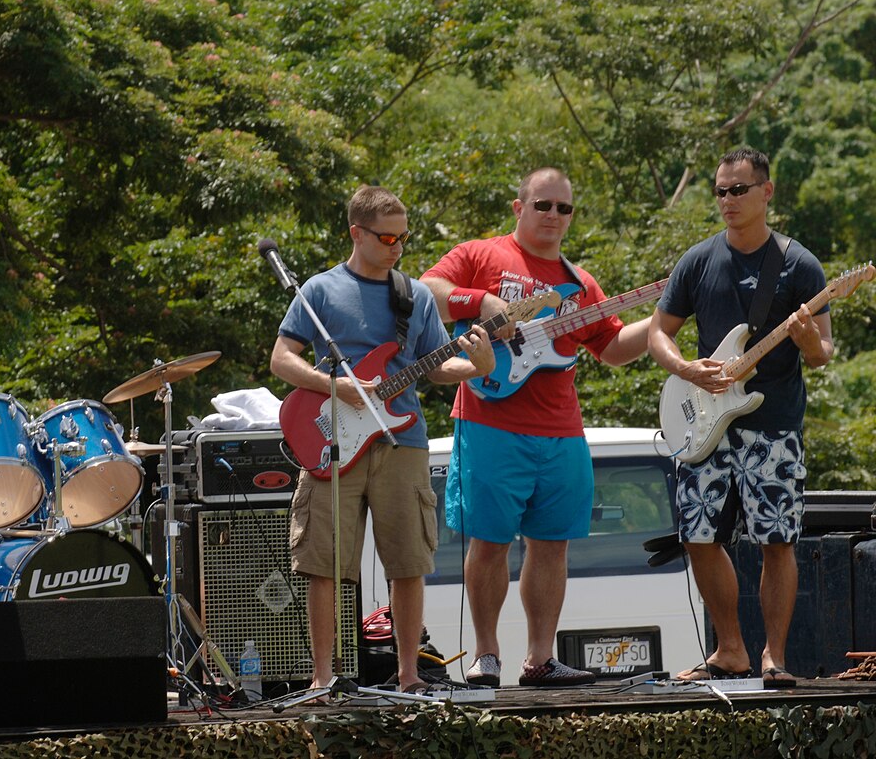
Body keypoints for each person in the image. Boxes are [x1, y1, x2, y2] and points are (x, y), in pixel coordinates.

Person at [421, 167, 650, 687]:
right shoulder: (481, 255)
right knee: (489, 540)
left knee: (552, 544)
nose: (553, 215)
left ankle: (541, 659)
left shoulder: (582, 282)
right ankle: (486, 655)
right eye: (543, 204)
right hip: (490, 420)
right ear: (518, 206)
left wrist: (665, 322)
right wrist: (480, 301)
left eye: (563, 208)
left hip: (562, 430)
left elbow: (612, 348)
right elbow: (427, 289)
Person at [270, 185, 495, 693]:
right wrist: (336, 386)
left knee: (409, 562)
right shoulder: (321, 290)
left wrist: (477, 366)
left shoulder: (414, 295)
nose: (397, 246)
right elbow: (281, 359)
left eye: (403, 237)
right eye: (387, 237)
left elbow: (438, 367)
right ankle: (323, 678)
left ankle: (410, 675)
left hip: (404, 441)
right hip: (331, 443)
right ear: (357, 233)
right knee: (323, 565)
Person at [647, 148, 833, 687]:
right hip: (704, 421)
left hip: (771, 423)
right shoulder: (699, 260)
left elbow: (822, 351)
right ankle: (730, 649)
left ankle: (774, 654)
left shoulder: (799, 265)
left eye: (739, 190)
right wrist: (687, 367)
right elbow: (660, 332)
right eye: (721, 191)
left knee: (777, 539)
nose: (727, 200)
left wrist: (805, 341)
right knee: (698, 536)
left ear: (766, 192)